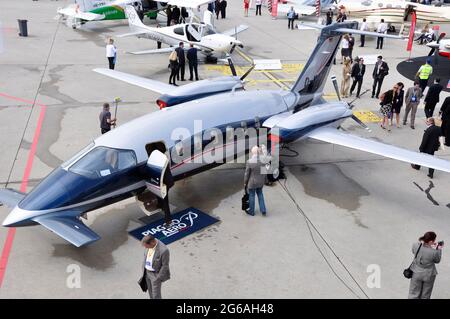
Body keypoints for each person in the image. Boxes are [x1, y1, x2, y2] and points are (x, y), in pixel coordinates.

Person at [408, 231, 443, 299]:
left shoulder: (415, 245)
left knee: (413, 293)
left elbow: (413, 251)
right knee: (426, 295)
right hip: (429, 275)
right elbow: (437, 260)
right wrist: (439, 249)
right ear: (430, 242)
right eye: (433, 241)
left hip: (416, 272)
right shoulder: (434, 252)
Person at [141, 235, 171, 299]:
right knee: (150, 291)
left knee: (156, 295)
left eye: (147, 246)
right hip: (146, 272)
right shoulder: (148, 246)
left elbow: (165, 265)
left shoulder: (164, 250)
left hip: (155, 275)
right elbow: (145, 256)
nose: (146, 248)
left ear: (152, 243)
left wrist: (158, 277)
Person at [244, 146, 267, 216]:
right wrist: (265, 181)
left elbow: (247, 174)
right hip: (260, 182)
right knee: (260, 194)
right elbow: (264, 172)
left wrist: (245, 183)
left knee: (252, 195)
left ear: (253, 152)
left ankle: (251, 211)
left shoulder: (249, 162)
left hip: (252, 183)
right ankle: (263, 210)